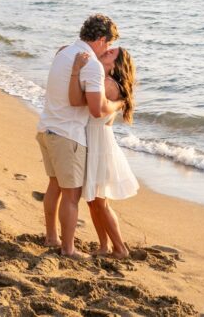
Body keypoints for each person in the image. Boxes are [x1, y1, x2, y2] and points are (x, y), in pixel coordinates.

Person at [36, 14, 119, 257]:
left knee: (54, 186)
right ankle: (68, 249)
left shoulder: (64, 52)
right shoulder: (91, 64)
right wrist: (119, 103)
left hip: (46, 128)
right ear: (101, 39)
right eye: (109, 44)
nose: (109, 49)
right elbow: (96, 109)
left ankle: (52, 237)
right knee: (71, 196)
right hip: (67, 135)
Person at [69, 47, 138, 258]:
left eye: (111, 54)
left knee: (100, 200)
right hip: (94, 139)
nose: (105, 52)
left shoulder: (108, 84)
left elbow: (91, 107)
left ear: (116, 65)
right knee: (92, 200)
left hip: (99, 143)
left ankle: (120, 248)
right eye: (107, 50)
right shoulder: (103, 80)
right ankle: (103, 246)